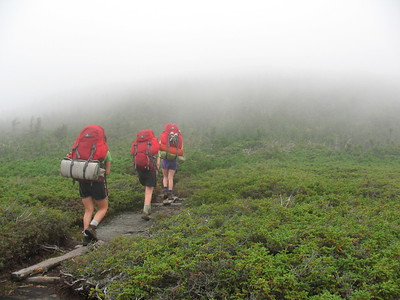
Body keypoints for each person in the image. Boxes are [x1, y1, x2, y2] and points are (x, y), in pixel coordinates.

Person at [80, 150, 112, 245]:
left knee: (88, 209)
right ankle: (91, 227)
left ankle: (86, 237)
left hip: (82, 181)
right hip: (97, 182)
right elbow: (108, 171)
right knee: (103, 208)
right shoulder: (105, 152)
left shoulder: (82, 150)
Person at [137, 152, 160, 220]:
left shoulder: (139, 145)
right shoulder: (154, 147)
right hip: (151, 169)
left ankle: (148, 208)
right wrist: (157, 170)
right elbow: (158, 161)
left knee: (146, 189)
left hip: (140, 169)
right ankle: (145, 211)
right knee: (149, 191)